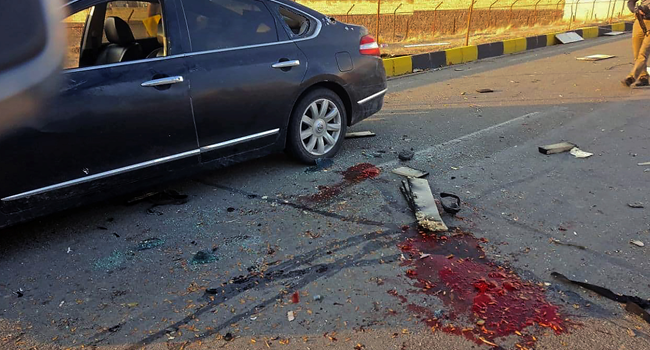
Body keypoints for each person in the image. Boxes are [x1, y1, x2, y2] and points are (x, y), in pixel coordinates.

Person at [623, 0, 650, 87]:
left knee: (643, 52)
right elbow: (630, 2)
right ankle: (643, 77)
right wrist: (636, 10)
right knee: (637, 52)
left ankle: (631, 77)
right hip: (639, 22)